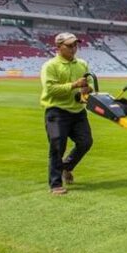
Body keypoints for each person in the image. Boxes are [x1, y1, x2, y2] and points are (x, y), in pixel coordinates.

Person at [40, 32, 92, 195]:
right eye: (69, 46)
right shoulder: (50, 66)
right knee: (57, 147)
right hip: (57, 111)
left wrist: (87, 88)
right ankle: (55, 184)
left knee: (85, 142)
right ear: (58, 47)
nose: (73, 48)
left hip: (78, 111)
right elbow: (51, 90)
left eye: (75, 45)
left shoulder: (82, 64)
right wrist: (74, 85)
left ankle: (66, 167)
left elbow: (90, 83)